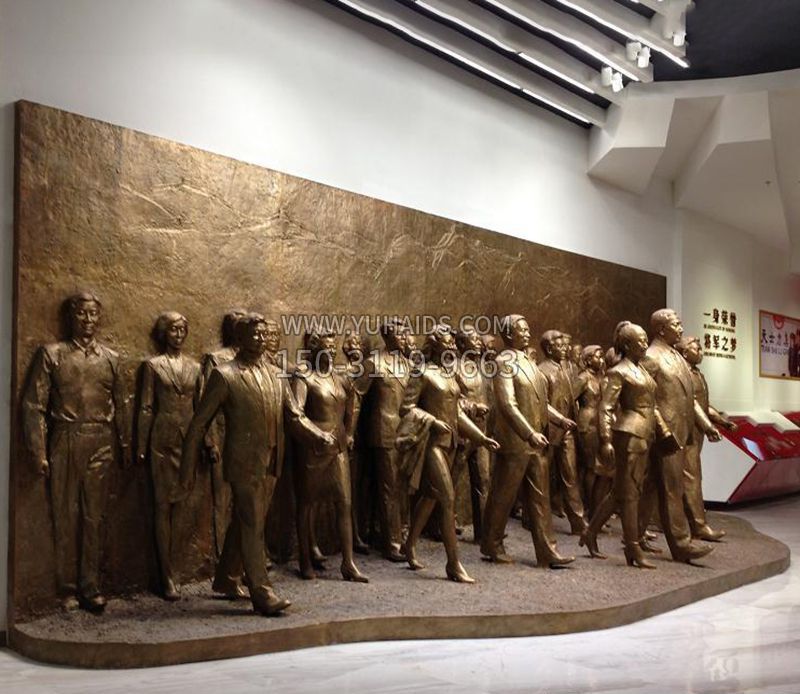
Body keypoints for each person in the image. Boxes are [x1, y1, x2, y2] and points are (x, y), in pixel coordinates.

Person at [177, 313, 334, 616]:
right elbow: (199, 423)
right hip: (243, 461)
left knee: (249, 520)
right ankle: (261, 591)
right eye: (255, 334)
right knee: (252, 522)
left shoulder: (276, 373)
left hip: (272, 458)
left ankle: (226, 578)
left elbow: (294, 415)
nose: (262, 339)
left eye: (264, 333)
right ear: (240, 338)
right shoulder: (225, 375)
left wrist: (318, 435)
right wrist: (187, 468)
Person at [22, 291, 130, 612]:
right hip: (65, 439)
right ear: (72, 316)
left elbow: (122, 404)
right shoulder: (52, 354)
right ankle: (66, 587)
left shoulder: (111, 359)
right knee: (65, 516)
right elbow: (33, 405)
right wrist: (38, 451)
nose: (88, 320)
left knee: (94, 517)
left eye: (93, 313)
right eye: (82, 313)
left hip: (101, 441)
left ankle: (90, 585)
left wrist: (125, 445)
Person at [398, 324, 499, 583]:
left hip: (451, 444)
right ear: (435, 346)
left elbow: (457, 413)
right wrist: (432, 421)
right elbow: (406, 409)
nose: (452, 347)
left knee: (431, 496)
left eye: (454, 343)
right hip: (432, 445)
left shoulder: (449, 374)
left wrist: (480, 437)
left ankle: (409, 545)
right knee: (447, 498)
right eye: (447, 342)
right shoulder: (422, 373)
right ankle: (453, 564)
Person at [480, 315, 575, 568]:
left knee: (540, 497)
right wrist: (529, 433)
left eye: (527, 329)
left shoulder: (529, 362)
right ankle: (492, 544)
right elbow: (507, 404)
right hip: (516, 441)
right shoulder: (503, 362)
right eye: (521, 330)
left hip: (536, 441)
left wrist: (559, 420)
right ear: (508, 335)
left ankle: (547, 551)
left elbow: (541, 402)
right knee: (503, 496)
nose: (526, 333)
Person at [580, 323, 677, 568]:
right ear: (626, 345)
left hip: (645, 433)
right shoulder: (618, 372)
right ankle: (632, 547)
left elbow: (652, 406)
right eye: (640, 341)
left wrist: (664, 432)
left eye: (645, 339)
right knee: (630, 492)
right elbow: (606, 408)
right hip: (629, 435)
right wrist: (605, 440)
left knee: (621, 492)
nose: (645, 344)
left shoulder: (641, 369)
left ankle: (590, 533)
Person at [640, 309, 719, 563]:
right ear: (661, 329)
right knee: (672, 488)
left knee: (652, 487)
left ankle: (634, 536)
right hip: (665, 435)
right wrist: (663, 429)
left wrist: (706, 425)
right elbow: (645, 400)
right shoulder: (651, 357)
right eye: (676, 325)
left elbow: (690, 399)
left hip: (681, 432)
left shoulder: (676, 357)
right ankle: (681, 544)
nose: (681, 329)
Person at [291, 330, 369, 582]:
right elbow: (296, 413)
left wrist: (350, 432)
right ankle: (305, 560)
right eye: (327, 348)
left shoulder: (340, 377)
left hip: (338, 447)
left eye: (333, 348)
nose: (332, 352)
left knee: (344, 502)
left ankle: (348, 563)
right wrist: (315, 434)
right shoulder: (305, 377)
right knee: (307, 503)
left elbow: (352, 405)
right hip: (313, 448)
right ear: (315, 351)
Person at [137, 311, 201, 600]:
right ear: (164, 333)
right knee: (162, 507)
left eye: (182, 330)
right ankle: (165, 575)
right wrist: (140, 446)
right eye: (173, 329)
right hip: (161, 443)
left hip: (188, 443)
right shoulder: (153, 366)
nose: (178, 335)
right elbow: (146, 407)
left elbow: (201, 408)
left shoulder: (195, 367)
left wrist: (209, 443)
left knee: (183, 507)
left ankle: (179, 566)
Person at [357, 318, 412, 562]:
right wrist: (350, 431)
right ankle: (392, 543)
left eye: (405, 333)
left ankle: (403, 536)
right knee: (389, 488)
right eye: (399, 334)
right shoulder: (373, 363)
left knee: (403, 487)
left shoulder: (408, 364)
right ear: (387, 336)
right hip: (384, 432)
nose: (404, 338)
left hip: (406, 433)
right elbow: (356, 397)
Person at [676, 336, 738, 541]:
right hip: (685, 434)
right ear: (685, 353)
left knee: (686, 478)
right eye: (696, 349)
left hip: (696, 434)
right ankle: (699, 526)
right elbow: (691, 404)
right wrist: (708, 426)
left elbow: (703, 405)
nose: (700, 352)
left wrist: (721, 421)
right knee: (691, 478)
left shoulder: (698, 375)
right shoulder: (683, 374)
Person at [199, 309, 247, 564]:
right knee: (223, 497)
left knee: (247, 497)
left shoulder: (253, 360)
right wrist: (210, 441)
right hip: (222, 433)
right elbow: (205, 404)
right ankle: (222, 559)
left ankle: (246, 553)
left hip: (248, 436)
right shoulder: (216, 359)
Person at [538, 330, 585, 535]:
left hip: (567, 431)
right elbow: (542, 404)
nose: (565, 349)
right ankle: (533, 518)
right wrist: (560, 419)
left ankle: (578, 522)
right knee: (541, 477)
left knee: (570, 476)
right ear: (549, 349)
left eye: (565, 345)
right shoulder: (541, 371)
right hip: (548, 431)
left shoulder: (566, 369)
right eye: (559, 346)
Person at [453, 326, 494, 544]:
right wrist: (473, 407)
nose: (478, 343)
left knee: (483, 480)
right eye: (473, 339)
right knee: (451, 480)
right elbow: (451, 398)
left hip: (481, 432)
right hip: (462, 431)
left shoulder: (481, 367)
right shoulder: (452, 367)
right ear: (461, 344)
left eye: (479, 339)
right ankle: (444, 524)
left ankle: (484, 531)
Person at [573, 344, 605, 517]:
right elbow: (570, 399)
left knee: (598, 468)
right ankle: (588, 508)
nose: (601, 360)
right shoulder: (583, 378)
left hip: (599, 423)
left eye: (601, 356)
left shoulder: (601, 377)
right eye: (597, 356)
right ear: (587, 360)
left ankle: (595, 507)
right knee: (590, 467)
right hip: (587, 424)